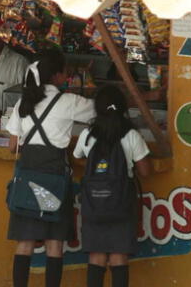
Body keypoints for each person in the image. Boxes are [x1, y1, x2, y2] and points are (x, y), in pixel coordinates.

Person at [6, 49, 96, 287]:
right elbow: (100, 112)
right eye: (64, 73)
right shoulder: (69, 102)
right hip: (54, 177)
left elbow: (12, 145)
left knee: (24, 242)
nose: (66, 76)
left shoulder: (22, 103)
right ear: (56, 76)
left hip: (27, 175)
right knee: (54, 243)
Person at [72, 85, 152, 287]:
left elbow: (77, 157)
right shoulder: (131, 135)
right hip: (121, 205)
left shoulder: (88, 135)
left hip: (93, 204)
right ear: (123, 108)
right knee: (119, 257)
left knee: (96, 257)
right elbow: (145, 171)